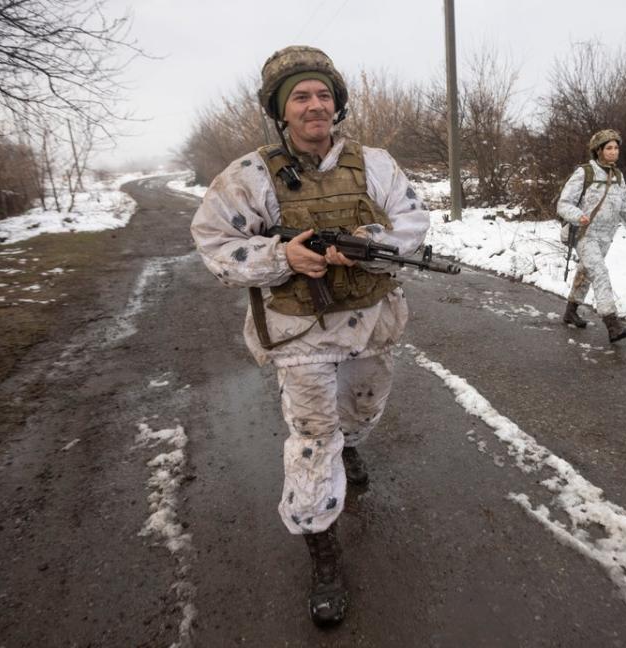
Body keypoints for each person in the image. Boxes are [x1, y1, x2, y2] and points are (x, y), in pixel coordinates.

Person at [189, 45, 430, 627]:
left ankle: (353, 443)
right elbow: (215, 243)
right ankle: (323, 554)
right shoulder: (250, 175)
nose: (314, 105)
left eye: (323, 94)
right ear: (280, 109)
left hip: (371, 323)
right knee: (313, 438)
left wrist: (367, 243)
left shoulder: (375, 164)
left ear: (337, 104)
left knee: (364, 410)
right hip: (300, 335)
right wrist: (283, 255)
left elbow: (413, 225)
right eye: (300, 96)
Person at [557, 129, 626, 343]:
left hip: (606, 236)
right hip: (584, 234)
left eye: (616, 148)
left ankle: (570, 312)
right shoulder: (585, 172)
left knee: (586, 272)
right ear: (598, 150)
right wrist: (578, 216)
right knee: (599, 272)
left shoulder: (618, 176)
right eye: (609, 148)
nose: (613, 152)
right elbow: (563, 203)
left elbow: (625, 206)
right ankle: (612, 324)